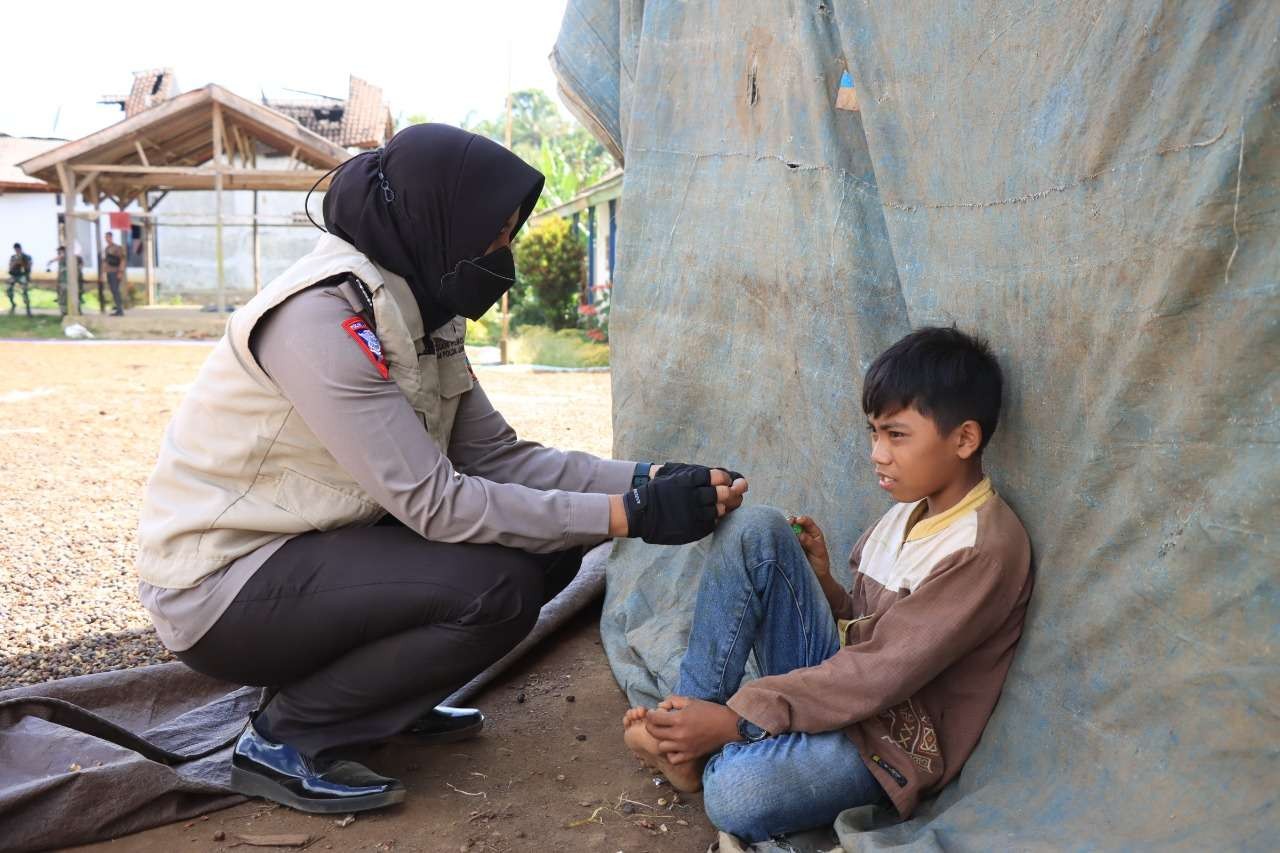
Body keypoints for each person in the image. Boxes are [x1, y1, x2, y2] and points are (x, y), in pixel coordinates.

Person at [135, 123, 749, 815]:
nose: (503, 252)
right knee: (495, 587)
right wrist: (630, 516)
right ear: (437, 221)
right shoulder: (322, 317)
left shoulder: (419, 309)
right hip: (223, 585)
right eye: (495, 233)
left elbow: (502, 459)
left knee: (545, 552)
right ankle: (285, 739)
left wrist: (651, 477)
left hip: (308, 552)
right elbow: (435, 502)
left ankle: (385, 701)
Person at [622, 327, 1033, 843]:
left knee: (738, 794)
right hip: (841, 692)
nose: (877, 454)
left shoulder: (982, 549)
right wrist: (827, 587)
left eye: (896, 435)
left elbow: (880, 672)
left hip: (889, 742)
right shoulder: (907, 511)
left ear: (964, 438)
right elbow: (866, 629)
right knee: (756, 528)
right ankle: (682, 729)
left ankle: (706, 741)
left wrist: (736, 720)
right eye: (874, 434)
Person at [46, 246, 86, 316]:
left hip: (70, 283)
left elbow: (80, 264)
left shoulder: (71, 258)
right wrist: (51, 261)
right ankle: (65, 312)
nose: (59, 254)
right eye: (58, 253)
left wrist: (52, 261)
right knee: (63, 298)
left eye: (60, 252)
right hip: (63, 282)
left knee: (73, 297)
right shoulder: (62, 259)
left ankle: (76, 311)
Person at [101, 231, 126, 315]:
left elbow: (122, 260)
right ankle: (118, 309)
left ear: (111, 238)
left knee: (115, 290)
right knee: (113, 290)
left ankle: (120, 310)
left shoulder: (117, 248)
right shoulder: (106, 249)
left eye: (108, 237)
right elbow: (105, 261)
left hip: (115, 272)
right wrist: (103, 272)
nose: (107, 239)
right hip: (109, 272)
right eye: (106, 237)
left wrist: (120, 272)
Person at [7, 242, 32, 317]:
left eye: (18, 249)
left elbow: (28, 268)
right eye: (15, 249)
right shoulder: (13, 257)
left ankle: (28, 310)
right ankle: (13, 304)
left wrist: (22, 263)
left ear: (20, 248)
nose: (17, 250)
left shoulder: (26, 256)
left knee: (25, 292)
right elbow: (10, 268)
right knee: (8, 290)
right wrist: (15, 262)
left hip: (22, 275)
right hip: (14, 275)